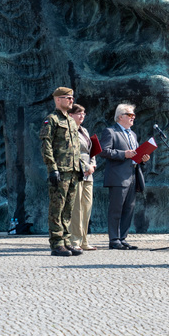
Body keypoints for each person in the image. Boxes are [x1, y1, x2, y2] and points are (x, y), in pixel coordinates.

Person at [99, 103, 150, 250]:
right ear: (120, 116)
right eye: (130, 115)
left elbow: (136, 155)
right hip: (118, 177)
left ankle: (123, 238)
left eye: (134, 115)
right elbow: (104, 151)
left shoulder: (132, 134)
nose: (133, 118)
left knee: (129, 208)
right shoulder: (111, 132)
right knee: (116, 209)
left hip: (133, 175)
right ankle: (114, 239)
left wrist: (143, 158)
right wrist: (123, 154)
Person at [39, 87, 82, 256]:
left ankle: (66, 240)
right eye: (67, 98)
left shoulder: (71, 121)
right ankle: (56, 243)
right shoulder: (52, 120)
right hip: (60, 170)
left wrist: (78, 167)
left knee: (68, 208)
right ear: (58, 100)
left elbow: (75, 147)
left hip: (72, 170)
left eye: (72, 97)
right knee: (57, 208)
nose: (71, 100)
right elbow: (46, 145)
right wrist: (52, 168)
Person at [68, 103, 97, 251]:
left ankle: (84, 240)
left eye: (83, 113)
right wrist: (86, 167)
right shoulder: (69, 130)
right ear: (71, 115)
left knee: (87, 207)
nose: (82, 116)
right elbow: (72, 152)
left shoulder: (84, 130)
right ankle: (75, 241)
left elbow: (91, 150)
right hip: (77, 172)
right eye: (79, 113)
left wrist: (92, 164)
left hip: (88, 173)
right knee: (77, 209)